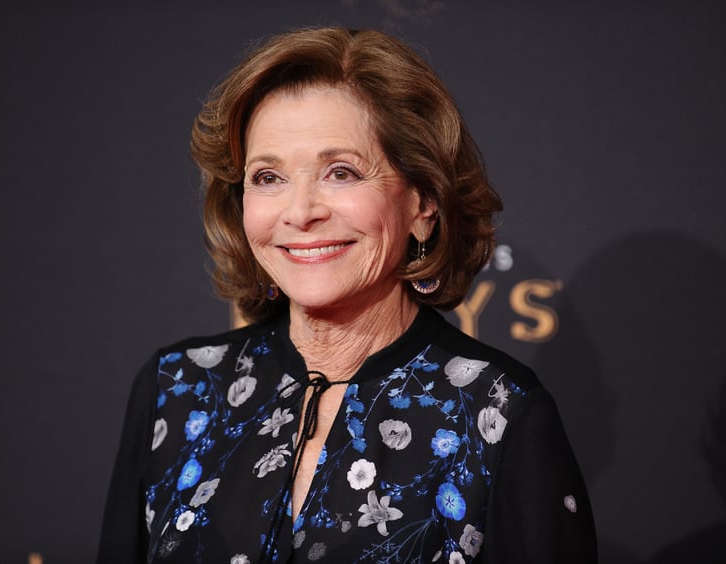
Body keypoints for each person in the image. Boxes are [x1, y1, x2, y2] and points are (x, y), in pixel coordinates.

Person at [97, 27, 597, 563]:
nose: (300, 210)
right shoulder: (177, 389)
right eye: (268, 177)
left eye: (341, 172)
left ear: (423, 202)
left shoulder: (500, 412)